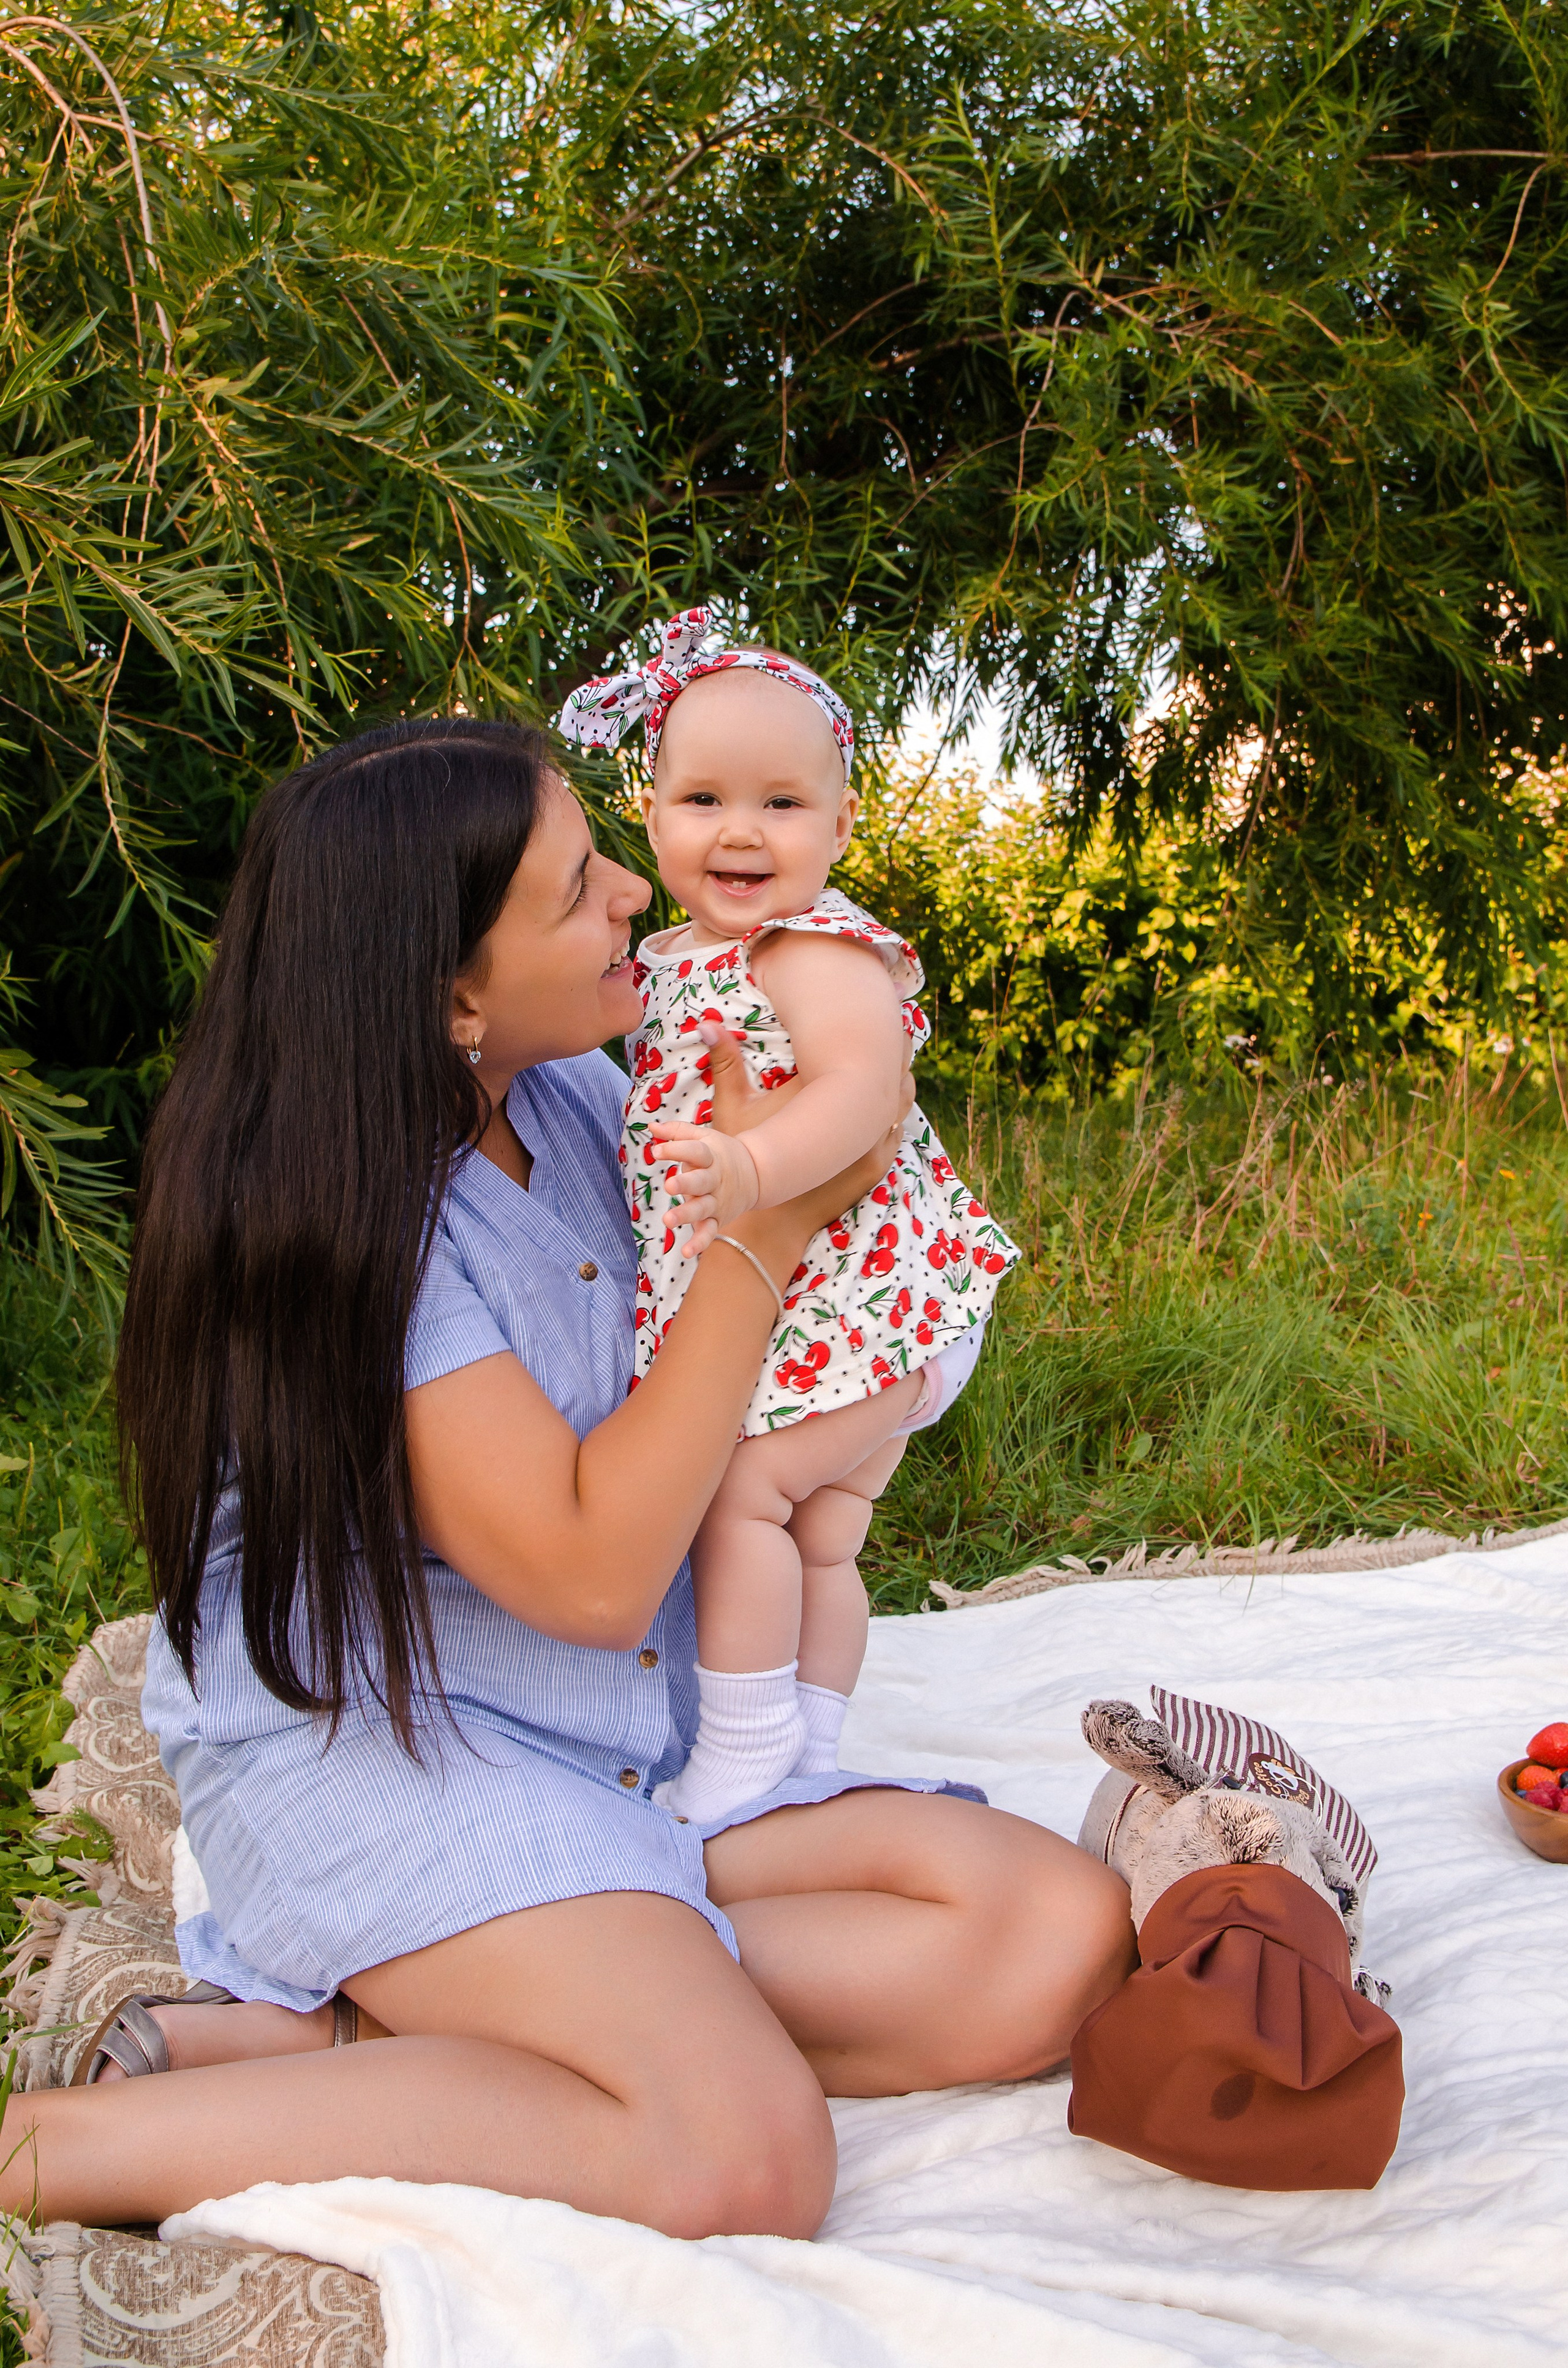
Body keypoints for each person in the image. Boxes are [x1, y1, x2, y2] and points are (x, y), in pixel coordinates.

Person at [0, 716, 1134, 2238]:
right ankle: (45, 2152)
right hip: (392, 1735)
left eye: (604, 848)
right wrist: (761, 1240)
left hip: (617, 1734)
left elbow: (827, 1246)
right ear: (453, 992)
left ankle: (384, 2039)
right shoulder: (353, 1228)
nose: (630, 888)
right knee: (735, 2156)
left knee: (1046, 1942)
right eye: (573, 886)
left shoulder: (580, 1100)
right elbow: (595, 1576)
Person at [559, 608, 1018, 1822]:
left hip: (872, 1299)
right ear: (648, 815)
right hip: (813, 1311)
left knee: (742, 1491)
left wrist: (758, 1166)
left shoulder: (810, 950)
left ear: (840, 825)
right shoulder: (670, 957)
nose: (741, 832)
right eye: (702, 799)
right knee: (820, 1532)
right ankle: (812, 1750)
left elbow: (863, 1092)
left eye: (781, 804)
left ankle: (745, 1748)